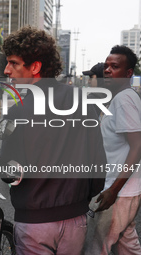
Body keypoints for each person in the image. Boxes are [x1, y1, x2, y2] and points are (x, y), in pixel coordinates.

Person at [0, 26, 106, 255]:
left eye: (14, 63)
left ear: (35, 67)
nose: (7, 70)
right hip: (76, 219)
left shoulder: (18, 112)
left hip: (34, 221)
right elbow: (99, 164)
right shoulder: (84, 102)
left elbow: (10, 173)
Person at [85, 45, 141, 255]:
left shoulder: (124, 99)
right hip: (124, 191)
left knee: (96, 247)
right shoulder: (120, 97)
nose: (107, 70)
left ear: (128, 73)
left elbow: (137, 146)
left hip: (119, 192)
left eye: (114, 66)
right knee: (127, 246)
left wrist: (114, 191)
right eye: (107, 65)